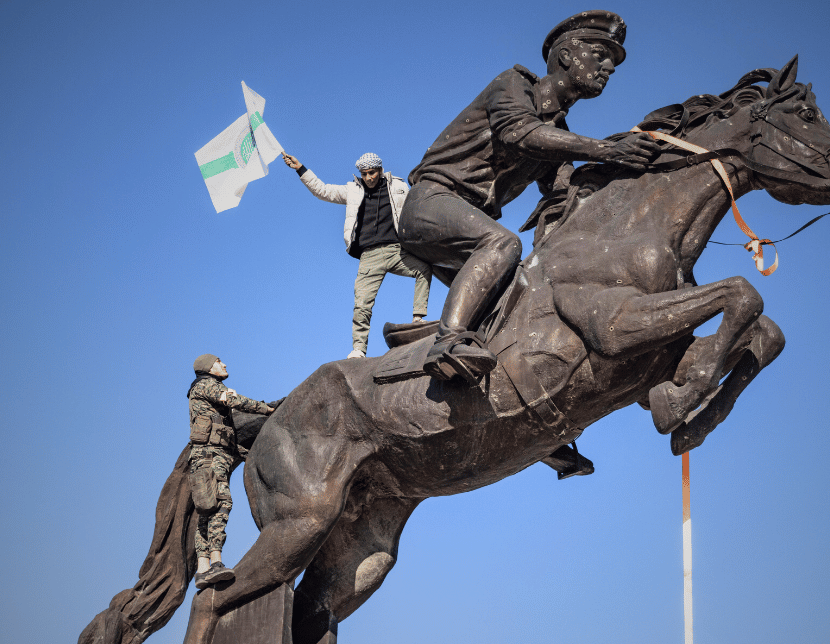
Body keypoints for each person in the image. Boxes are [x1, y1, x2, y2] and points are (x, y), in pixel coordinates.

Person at [399, 10, 662, 384]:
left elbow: (565, 195)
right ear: (568, 56)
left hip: (468, 230)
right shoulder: (513, 84)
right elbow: (518, 132)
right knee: (503, 243)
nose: (610, 67)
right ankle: (448, 343)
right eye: (601, 55)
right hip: (430, 203)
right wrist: (605, 149)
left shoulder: (559, 132)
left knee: (527, 290)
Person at [282, 151, 432, 359]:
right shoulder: (352, 190)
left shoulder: (397, 186)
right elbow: (323, 191)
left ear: (380, 170)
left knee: (423, 268)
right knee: (362, 304)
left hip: (396, 250)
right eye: (364, 173)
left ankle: (418, 319)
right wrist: (300, 169)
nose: (369, 177)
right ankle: (359, 349)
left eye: (372, 172)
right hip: (369, 256)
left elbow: (415, 206)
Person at [186, 353, 274, 589]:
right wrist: (267, 410)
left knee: (209, 508)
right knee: (220, 502)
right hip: (209, 455)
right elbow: (235, 402)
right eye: (218, 362)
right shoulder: (206, 386)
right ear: (207, 368)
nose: (224, 364)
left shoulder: (209, 390)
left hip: (216, 454)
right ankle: (215, 562)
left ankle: (203, 570)